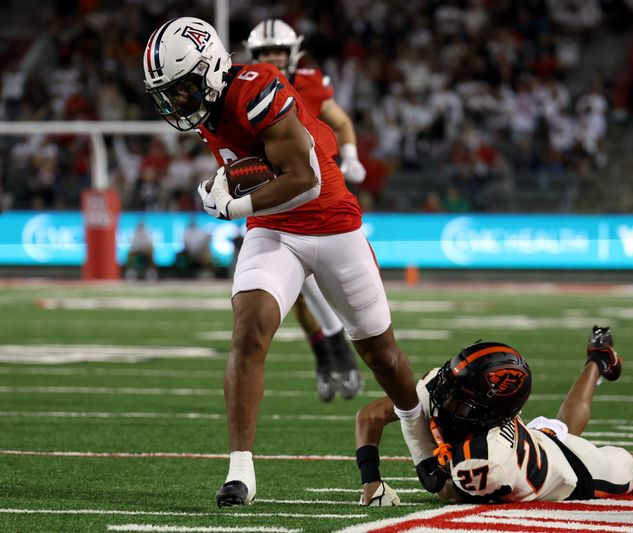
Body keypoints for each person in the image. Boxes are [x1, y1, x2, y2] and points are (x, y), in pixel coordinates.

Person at [142, 17, 436, 507]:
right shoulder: (209, 106)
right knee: (248, 330)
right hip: (276, 229)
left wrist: (233, 206)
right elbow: (255, 169)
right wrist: (232, 188)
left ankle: (413, 428)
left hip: (332, 221)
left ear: (212, 70)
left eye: (185, 88)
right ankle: (240, 471)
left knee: (381, 352)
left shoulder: (258, 87)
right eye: (170, 93)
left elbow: (306, 179)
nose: (178, 103)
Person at [354, 326, 633, 505]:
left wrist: (419, 441)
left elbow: (443, 489)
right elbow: (370, 414)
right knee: (559, 428)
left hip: (573, 475)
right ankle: (598, 359)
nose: (444, 401)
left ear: (491, 410)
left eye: (460, 401)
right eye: (449, 391)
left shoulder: (483, 459)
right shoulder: (447, 386)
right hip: (530, 440)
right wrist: (371, 481)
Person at [244, 18, 365, 402]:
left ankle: (341, 351)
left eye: (278, 52)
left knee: (333, 282)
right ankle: (329, 353)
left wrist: (350, 154)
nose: (274, 59)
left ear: (294, 51)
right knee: (290, 288)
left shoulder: (310, 80)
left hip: (319, 187)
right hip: (274, 188)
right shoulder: (245, 87)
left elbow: (341, 121)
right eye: (266, 54)